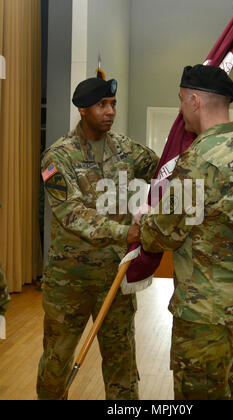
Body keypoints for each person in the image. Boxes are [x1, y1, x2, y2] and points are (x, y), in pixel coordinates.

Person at [140, 64, 233, 400]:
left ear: (195, 99)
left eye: (182, 100)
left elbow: (163, 235)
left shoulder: (197, 159)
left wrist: (145, 218)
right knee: (226, 388)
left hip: (203, 310)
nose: (180, 109)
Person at [37, 77, 159, 400]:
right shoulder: (56, 158)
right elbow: (71, 213)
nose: (110, 112)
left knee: (122, 367)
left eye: (113, 105)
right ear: (82, 110)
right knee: (56, 364)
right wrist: (126, 231)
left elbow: (165, 170)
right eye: (101, 105)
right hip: (69, 284)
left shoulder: (126, 149)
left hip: (115, 279)